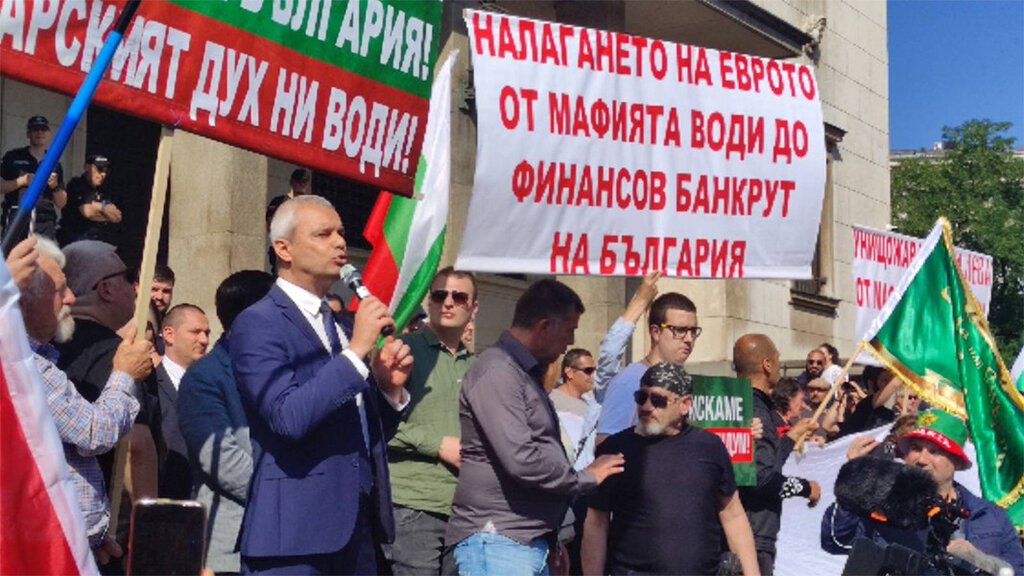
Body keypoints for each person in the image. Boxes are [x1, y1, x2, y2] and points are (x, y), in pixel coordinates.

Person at [231, 195, 413, 574]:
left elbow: (356, 431)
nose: (340, 242)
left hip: (357, 533)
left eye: (341, 233)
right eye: (323, 234)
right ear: (284, 249)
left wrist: (387, 390)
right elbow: (288, 417)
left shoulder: (341, 326)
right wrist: (358, 351)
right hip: (294, 538)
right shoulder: (258, 322)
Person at [445, 279, 625, 576]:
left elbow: (540, 451)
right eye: (569, 330)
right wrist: (585, 477)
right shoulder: (498, 371)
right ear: (544, 326)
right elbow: (522, 460)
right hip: (498, 541)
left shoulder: (521, 373)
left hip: (523, 541)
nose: (570, 341)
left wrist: (550, 539)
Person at [18, 235, 153, 564]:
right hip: (48, 551)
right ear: (25, 301)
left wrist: (94, 533)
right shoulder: (25, 367)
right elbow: (95, 433)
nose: (70, 298)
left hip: (73, 547)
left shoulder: (42, 360)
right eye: (59, 289)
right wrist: (125, 373)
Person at [582, 363, 759, 576]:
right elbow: (596, 522)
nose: (647, 406)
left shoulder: (709, 446)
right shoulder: (615, 449)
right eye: (641, 397)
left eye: (658, 400)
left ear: (684, 404)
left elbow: (733, 515)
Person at [822, 409, 1024, 574]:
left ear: (957, 461)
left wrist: (976, 559)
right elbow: (835, 540)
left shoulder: (989, 514)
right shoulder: (883, 503)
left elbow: (1017, 572)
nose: (922, 460)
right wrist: (855, 477)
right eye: (916, 448)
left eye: (935, 451)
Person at [177, 270, 276, 574]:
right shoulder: (205, 377)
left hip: (286, 540)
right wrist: (284, 493)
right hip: (233, 547)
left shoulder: (280, 369)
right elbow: (223, 461)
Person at [56, 241, 162, 520]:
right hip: (109, 523)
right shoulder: (118, 353)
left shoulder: (43, 350)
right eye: (128, 278)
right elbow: (135, 448)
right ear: (105, 289)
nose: (136, 288)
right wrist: (148, 528)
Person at [386, 267, 478, 576]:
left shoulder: (478, 366)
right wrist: (438, 444)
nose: (448, 302)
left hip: (466, 508)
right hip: (413, 503)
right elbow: (378, 423)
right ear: (429, 302)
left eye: (459, 296)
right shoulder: (402, 351)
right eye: (440, 295)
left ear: (473, 307)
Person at [730, 334, 820, 576]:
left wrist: (790, 437)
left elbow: (755, 464)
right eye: (777, 358)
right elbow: (760, 478)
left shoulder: (735, 404)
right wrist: (805, 487)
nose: (779, 365)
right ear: (767, 364)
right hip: (752, 536)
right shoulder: (757, 408)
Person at [596, 291, 700, 443]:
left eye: (693, 331)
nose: (689, 339)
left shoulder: (684, 381)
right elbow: (605, 443)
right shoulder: (629, 381)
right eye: (680, 330)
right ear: (655, 332)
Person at [155, 303, 211, 499]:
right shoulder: (149, 385)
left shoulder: (213, 386)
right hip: (167, 499)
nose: (204, 340)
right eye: (195, 332)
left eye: (207, 333)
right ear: (169, 335)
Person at [0, 115, 65, 239]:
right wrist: (22, 181)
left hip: (45, 221)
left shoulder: (54, 162)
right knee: (15, 251)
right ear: (28, 134)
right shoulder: (13, 156)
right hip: (18, 216)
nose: (39, 132)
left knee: (44, 252)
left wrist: (55, 186)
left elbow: (61, 203)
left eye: (43, 129)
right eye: (35, 129)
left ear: (49, 134)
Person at [59, 155, 121, 246]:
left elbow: (117, 217)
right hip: (76, 240)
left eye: (106, 171)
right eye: (99, 170)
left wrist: (98, 207)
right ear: (87, 167)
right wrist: (104, 209)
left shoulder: (103, 190)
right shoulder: (77, 184)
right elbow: (87, 212)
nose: (103, 175)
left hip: (99, 240)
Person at [266, 168, 312, 271]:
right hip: (284, 249)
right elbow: (271, 226)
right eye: (299, 181)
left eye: (305, 182)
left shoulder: (309, 204)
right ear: (292, 182)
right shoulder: (279, 202)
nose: (302, 185)